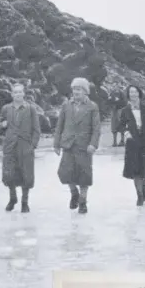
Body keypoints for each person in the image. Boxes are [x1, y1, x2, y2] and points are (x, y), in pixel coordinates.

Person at [54, 77, 101, 214]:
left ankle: (82, 201)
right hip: (68, 144)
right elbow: (59, 125)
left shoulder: (92, 107)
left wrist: (93, 144)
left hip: (84, 146)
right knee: (65, 173)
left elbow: (96, 128)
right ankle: (74, 193)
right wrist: (56, 144)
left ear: (85, 91)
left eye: (79, 89)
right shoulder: (66, 105)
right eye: (74, 89)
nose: (76, 92)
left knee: (84, 175)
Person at [0, 83, 41, 213]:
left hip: (25, 145)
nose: (18, 94)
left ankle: (24, 202)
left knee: (26, 174)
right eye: (15, 92)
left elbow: (36, 130)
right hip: (10, 145)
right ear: (12, 94)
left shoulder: (31, 109)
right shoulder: (6, 108)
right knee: (9, 174)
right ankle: (12, 198)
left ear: (24, 93)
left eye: (20, 92)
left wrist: (32, 145)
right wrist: (1, 124)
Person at [117, 85, 145, 206]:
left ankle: (143, 186)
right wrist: (126, 133)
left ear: (139, 94)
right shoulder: (125, 110)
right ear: (128, 95)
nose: (133, 94)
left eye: (135, 92)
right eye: (131, 92)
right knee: (135, 169)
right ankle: (139, 195)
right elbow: (120, 125)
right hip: (132, 142)